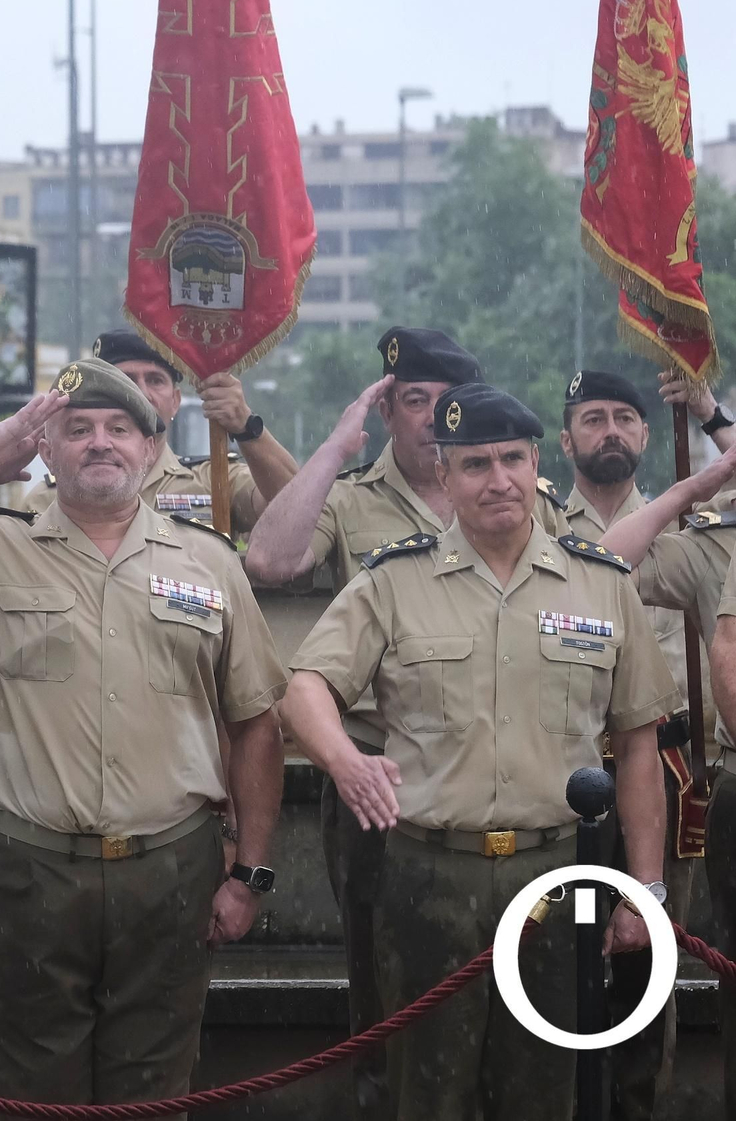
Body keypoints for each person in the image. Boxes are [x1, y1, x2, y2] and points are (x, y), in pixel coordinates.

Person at [0, 359, 286, 1108]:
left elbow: (254, 726)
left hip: (169, 867)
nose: (99, 443)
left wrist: (251, 872)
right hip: (28, 868)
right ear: (45, 448)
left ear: (149, 448)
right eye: (77, 429)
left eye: (119, 429)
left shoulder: (209, 561)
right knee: (34, 1089)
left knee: (155, 1087)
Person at [279, 383, 674, 1121]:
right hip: (429, 875)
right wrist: (346, 760)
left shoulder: (601, 584)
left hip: (557, 875)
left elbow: (638, 743)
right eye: (476, 465)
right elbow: (304, 688)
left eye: (512, 460)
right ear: (446, 476)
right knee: (425, 1090)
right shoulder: (393, 581)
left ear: (537, 466)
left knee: (547, 1089)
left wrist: (643, 890)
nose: (498, 480)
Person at [241, 325, 566, 1121]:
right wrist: (331, 443)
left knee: (532, 1022)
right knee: (386, 995)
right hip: (378, 776)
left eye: (443, 402)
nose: (428, 418)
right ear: (388, 412)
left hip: (507, 776)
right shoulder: (350, 496)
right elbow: (270, 561)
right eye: (410, 402)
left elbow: (594, 583)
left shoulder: (523, 498)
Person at [552, 368, 704, 1121]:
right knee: (560, 964)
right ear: (565, 438)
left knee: (649, 968)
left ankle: (639, 1107)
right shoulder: (537, 525)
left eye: (623, 418)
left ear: (645, 435)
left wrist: (710, 413)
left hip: (667, 774)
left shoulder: (692, 527)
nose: (609, 430)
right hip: (566, 777)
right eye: (592, 418)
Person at [15, 329, 298, 529]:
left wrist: (246, 426)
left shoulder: (215, 480)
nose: (142, 393)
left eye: (155, 380)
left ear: (175, 401)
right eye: (126, 380)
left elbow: (296, 505)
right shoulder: (49, 497)